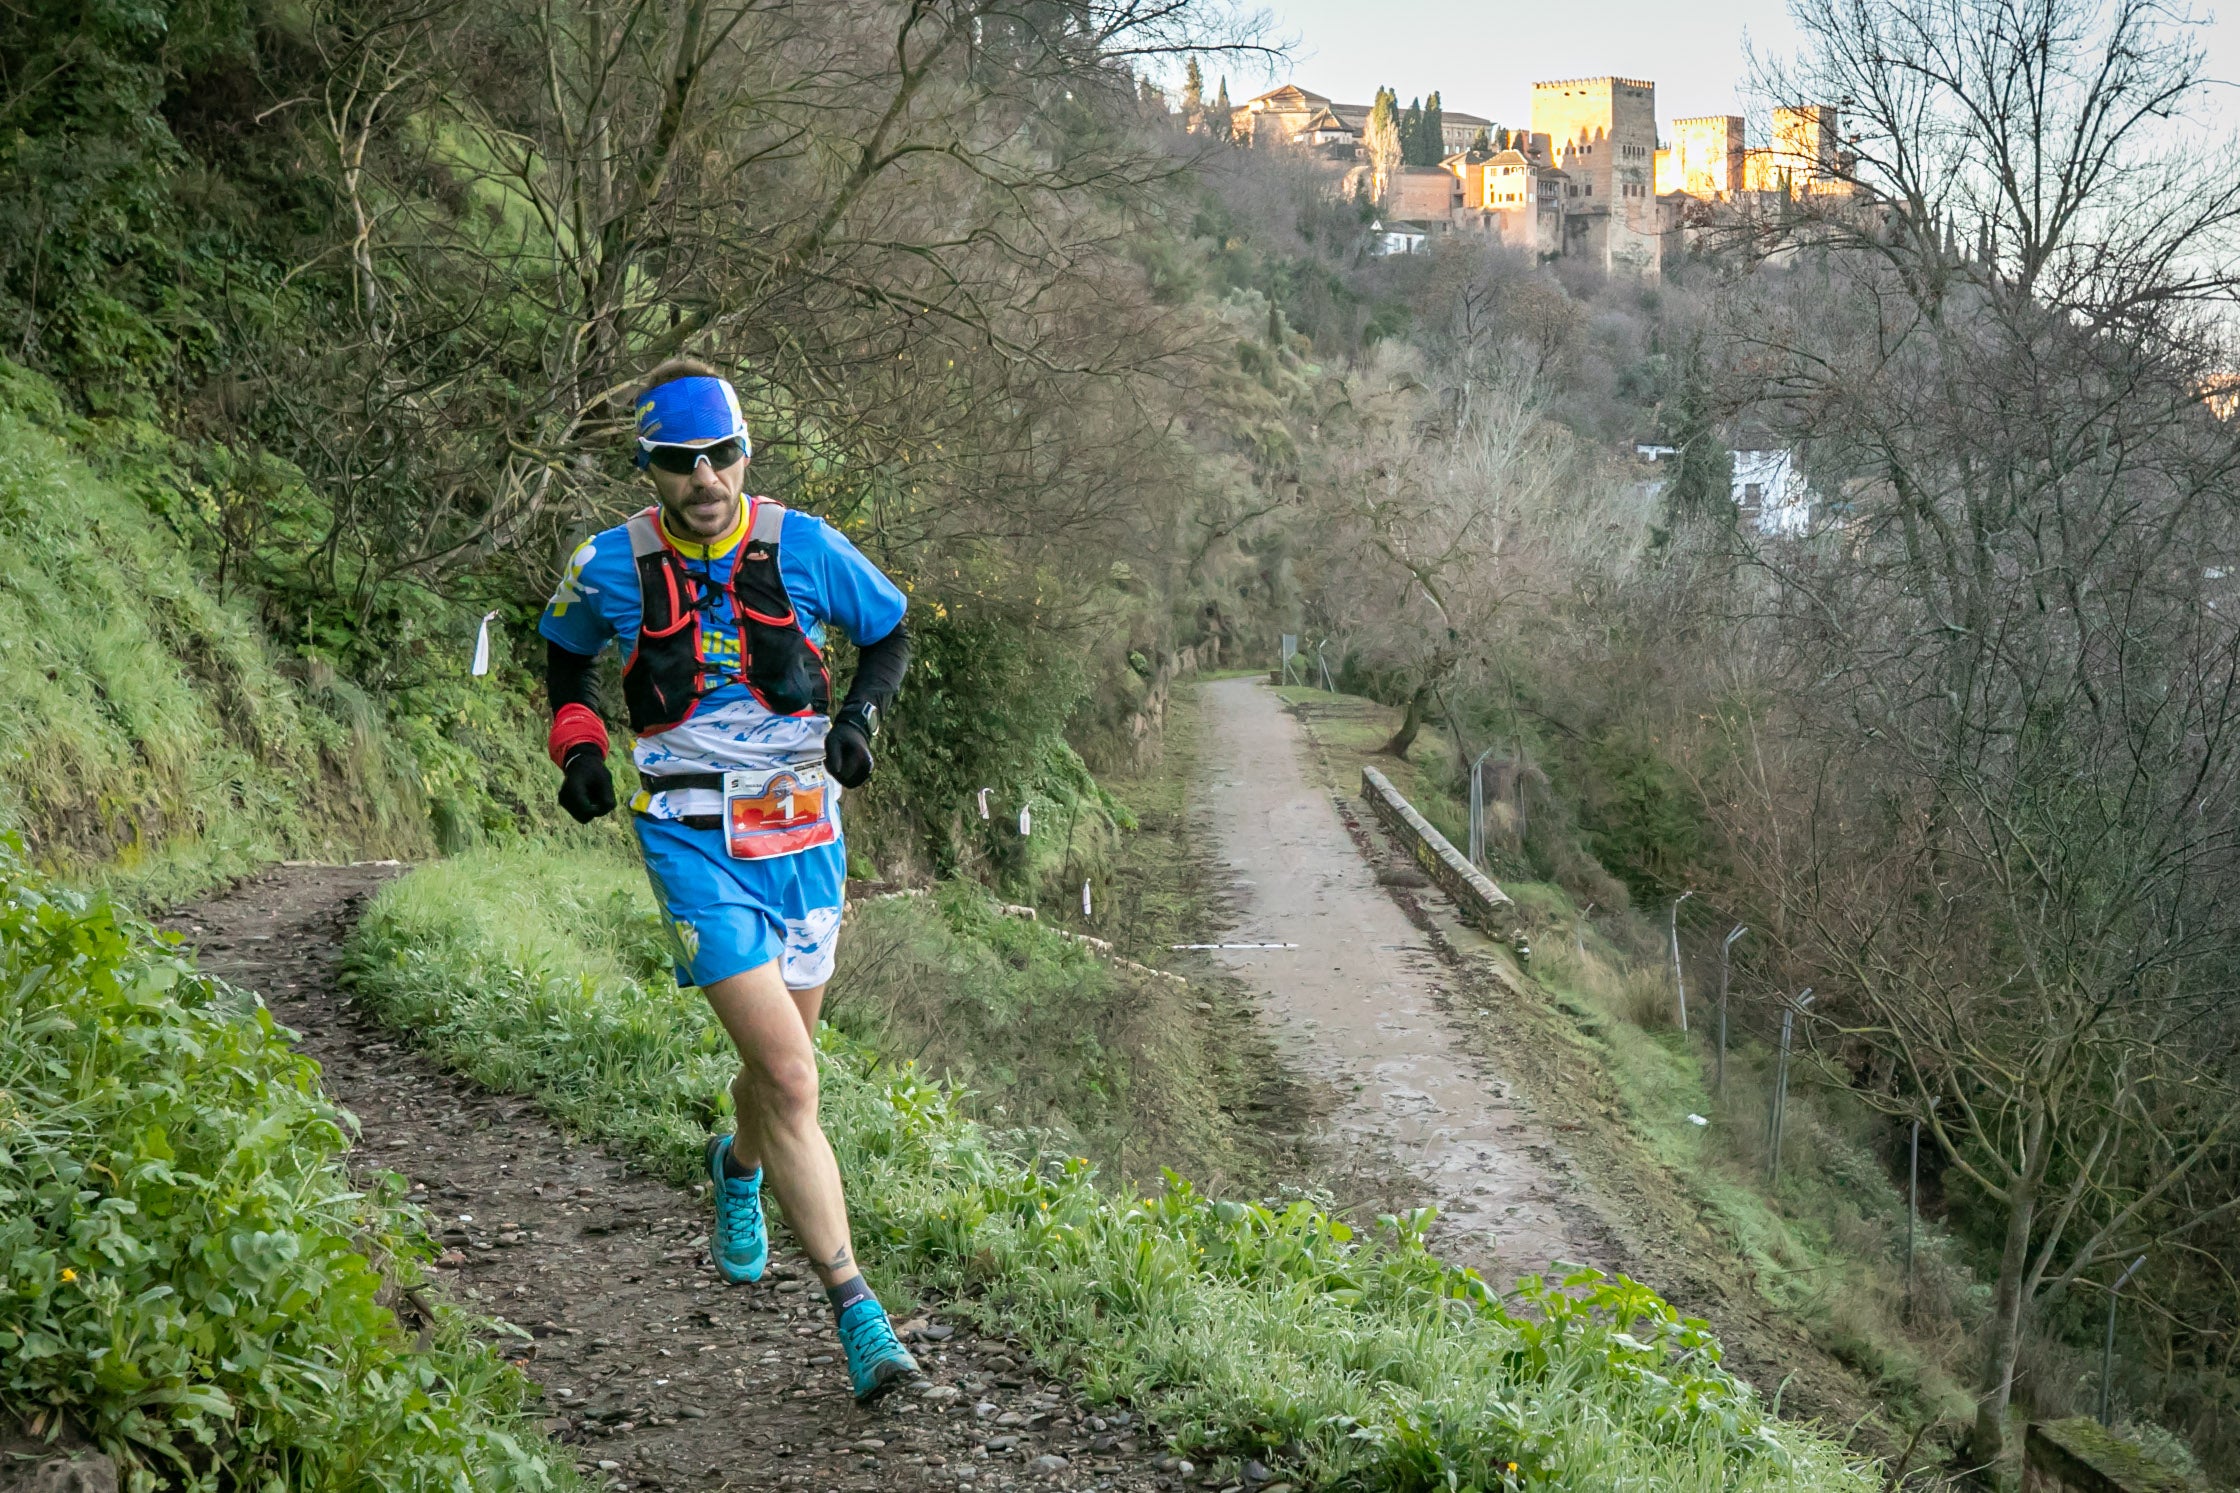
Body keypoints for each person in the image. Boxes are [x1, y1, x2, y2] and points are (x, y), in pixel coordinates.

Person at [537, 358, 919, 1401]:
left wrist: (858, 720)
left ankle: (736, 1164)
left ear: (745, 452)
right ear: (649, 466)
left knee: (778, 1067)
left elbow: (887, 630)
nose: (703, 476)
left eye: (721, 454)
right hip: (690, 836)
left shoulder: (805, 545)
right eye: (679, 460)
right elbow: (566, 658)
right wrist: (580, 746)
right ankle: (859, 1313)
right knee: (793, 1078)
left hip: (803, 834)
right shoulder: (607, 563)